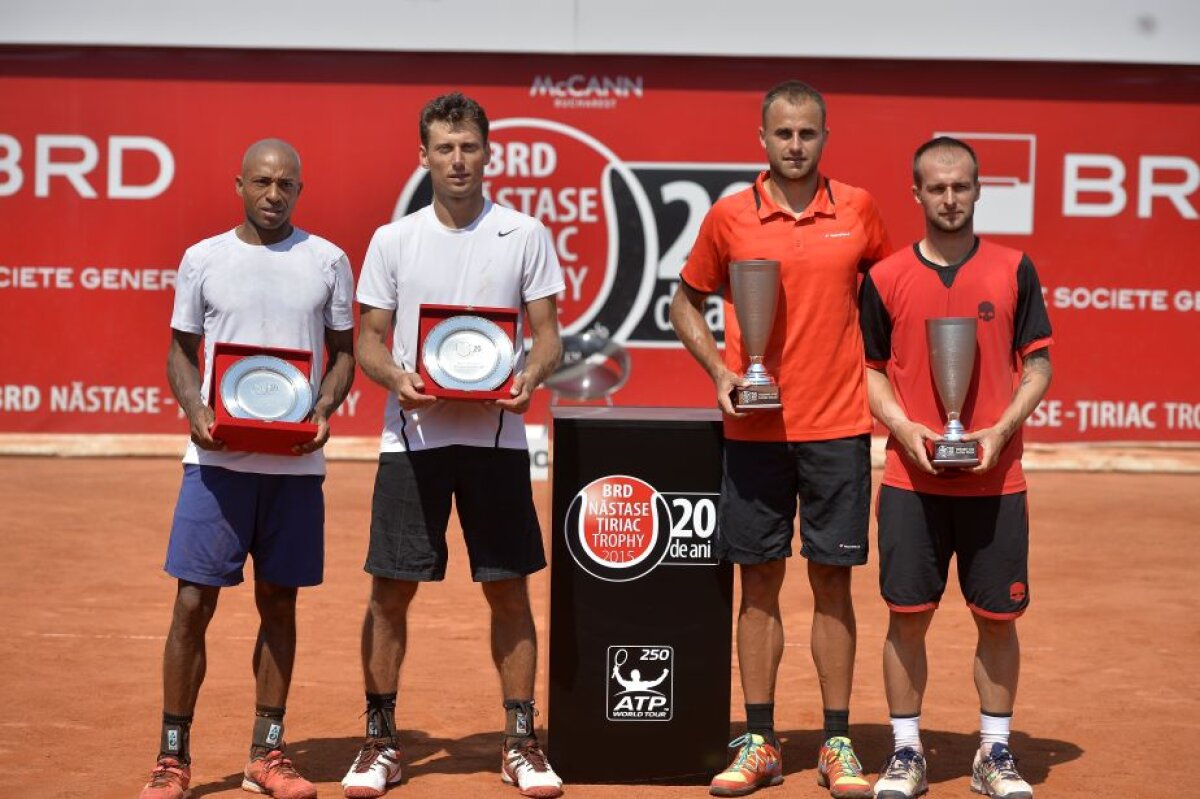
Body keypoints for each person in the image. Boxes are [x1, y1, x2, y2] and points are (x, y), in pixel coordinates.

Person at [670, 80, 890, 799]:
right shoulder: (730, 216)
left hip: (839, 427)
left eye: (808, 132)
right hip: (755, 428)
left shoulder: (859, 210)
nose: (796, 145)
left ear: (825, 136)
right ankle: (760, 740)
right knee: (757, 582)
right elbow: (683, 302)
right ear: (761, 138)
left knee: (833, 581)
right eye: (784, 133)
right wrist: (720, 371)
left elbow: (891, 300)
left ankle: (837, 742)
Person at [341, 92, 564, 799]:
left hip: (497, 440)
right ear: (424, 156)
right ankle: (380, 740)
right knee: (390, 591)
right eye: (445, 148)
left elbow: (548, 335)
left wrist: (528, 376)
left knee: (508, 590)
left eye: (469, 146)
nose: (458, 159)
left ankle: (520, 740)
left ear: (488, 152)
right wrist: (396, 378)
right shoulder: (393, 240)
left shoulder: (524, 234)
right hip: (412, 440)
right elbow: (369, 340)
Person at [138, 139, 356, 799]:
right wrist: (195, 406)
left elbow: (344, 353)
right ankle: (172, 757)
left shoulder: (328, 260)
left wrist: (323, 409)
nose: (273, 194)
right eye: (262, 182)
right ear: (239, 184)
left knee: (279, 602)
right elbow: (180, 351)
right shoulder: (203, 258)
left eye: (286, 184)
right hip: (216, 464)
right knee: (192, 602)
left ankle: (267, 753)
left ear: (300, 190)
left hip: (294, 468)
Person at [859, 136, 1053, 799]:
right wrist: (904, 428)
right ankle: (906, 753)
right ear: (916, 193)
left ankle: (993, 751)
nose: (949, 198)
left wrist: (1000, 431)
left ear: (978, 190)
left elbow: (1039, 366)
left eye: (961, 186)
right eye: (937, 187)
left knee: (997, 620)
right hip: (910, 483)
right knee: (906, 617)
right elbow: (871, 373)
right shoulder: (885, 277)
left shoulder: (1014, 268)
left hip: (996, 482)